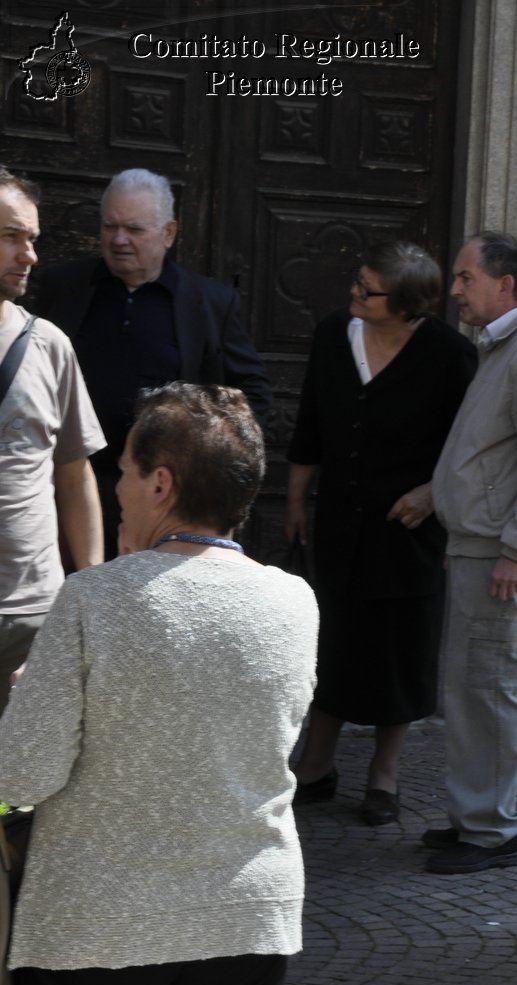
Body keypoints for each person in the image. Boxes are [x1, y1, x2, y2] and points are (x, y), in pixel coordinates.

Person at [0, 383, 318, 985]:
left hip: (95, 926)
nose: (117, 486)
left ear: (161, 483)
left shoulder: (93, 598)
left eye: (126, 471)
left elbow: (22, 770)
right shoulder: (295, 601)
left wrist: (33, 699)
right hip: (244, 919)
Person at [285, 241, 476, 825]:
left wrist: (433, 495)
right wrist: (297, 499)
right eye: (357, 283)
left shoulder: (450, 355)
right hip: (342, 522)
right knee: (332, 642)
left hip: (411, 528)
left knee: (402, 650)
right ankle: (315, 765)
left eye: (369, 290)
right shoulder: (331, 335)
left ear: (409, 305)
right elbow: (311, 423)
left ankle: (384, 775)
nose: (355, 295)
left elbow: (469, 446)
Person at [421, 231, 517, 874]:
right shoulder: (508, 346)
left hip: (498, 556)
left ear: (504, 284)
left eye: (465, 278)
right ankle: (476, 817)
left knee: (488, 687)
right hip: (480, 547)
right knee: (469, 686)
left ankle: (491, 830)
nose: (455, 290)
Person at [27, 167, 271, 551]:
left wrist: (208, 464)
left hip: (164, 500)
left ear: (168, 234)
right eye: (110, 227)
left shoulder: (209, 303)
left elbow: (253, 393)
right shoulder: (64, 286)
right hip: (71, 486)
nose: (119, 240)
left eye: (135, 230)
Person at [0, 167, 103, 716]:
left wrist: (90, 597)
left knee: (18, 791)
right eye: (11, 237)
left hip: (30, 612)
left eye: (32, 239)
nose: (30, 255)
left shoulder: (49, 347)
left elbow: (74, 474)